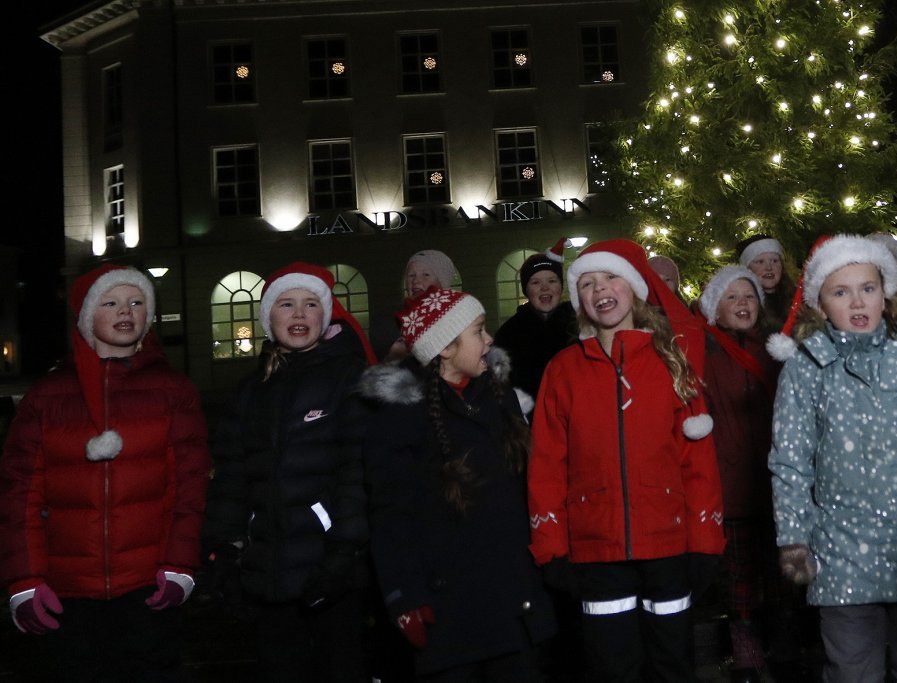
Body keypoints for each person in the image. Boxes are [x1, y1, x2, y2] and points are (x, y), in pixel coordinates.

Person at [766, 234, 897, 682]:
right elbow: (790, 461)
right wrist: (794, 538)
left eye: (867, 288)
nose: (857, 301)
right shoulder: (805, 369)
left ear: (886, 295)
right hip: (841, 554)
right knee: (851, 667)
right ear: (821, 307)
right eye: (840, 292)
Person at [528, 238, 725, 682]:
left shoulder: (672, 362)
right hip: (596, 551)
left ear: (635, 288)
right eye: (587, 282)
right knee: (612, 666)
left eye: (611, 276)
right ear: (578, 299)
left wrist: (705, 541)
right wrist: (551, 546)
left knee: (672, 662)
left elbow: (698, 464)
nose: (601, 289)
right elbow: (546, 464)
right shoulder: (563, 369)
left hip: (669, 545)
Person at [0, 264, 210, 681]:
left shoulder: (173, 390)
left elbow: (189, 487)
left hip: (149, 587)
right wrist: (24, 580)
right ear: (86, 315)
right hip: (68, 593)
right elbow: (19, 495)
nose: (126, 311)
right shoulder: (47, 397)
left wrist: (179, 566)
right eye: (111, 302)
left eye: (136, 302)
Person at [360, 287, 556, 681]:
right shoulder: (398, 416)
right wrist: (405, 597)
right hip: (448, 612)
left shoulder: (500, 398)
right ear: (445, 348)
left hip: (513, 602)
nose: (489, 341)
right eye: (479, 331)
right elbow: (390, 514)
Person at [202, 262, 377, 682]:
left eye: (310, 304)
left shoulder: (350, 379)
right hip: (268, 577)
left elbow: (356, 472)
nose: (299, 314)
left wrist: (342, 554)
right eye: (286, 304)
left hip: (331, 573)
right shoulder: (250, 391)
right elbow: (232, 478)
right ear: (267, 317)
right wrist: (224, 555)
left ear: (326, 314)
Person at [698, 266, 805, 683]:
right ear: (715, 308)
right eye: (732, 297)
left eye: (749, 296)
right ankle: (746, 652)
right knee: (741, 579)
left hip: (776, 482)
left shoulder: (776, 349)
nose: (743, 304)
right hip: (731, 483)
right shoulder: (704, 354)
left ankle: (785, 648)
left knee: (781, 576)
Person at [493, 237, 576, 408]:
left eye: (552, 281)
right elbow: (500, 386)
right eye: (535, 282)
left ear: (561, 287)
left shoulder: (579, 325)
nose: (544, 287)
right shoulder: (509, 333)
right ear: (526, 290)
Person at [371, 250, 459, 363]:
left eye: (426, 275)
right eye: (411, 275)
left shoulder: (458, 320)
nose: (416, 281)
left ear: (443, 282)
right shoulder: (387, 320)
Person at [735, 234, 797, 334]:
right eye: (760, 262)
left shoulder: (797, 298)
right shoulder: (742, 305)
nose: (769, 267)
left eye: (775, 261)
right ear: (747, 269)